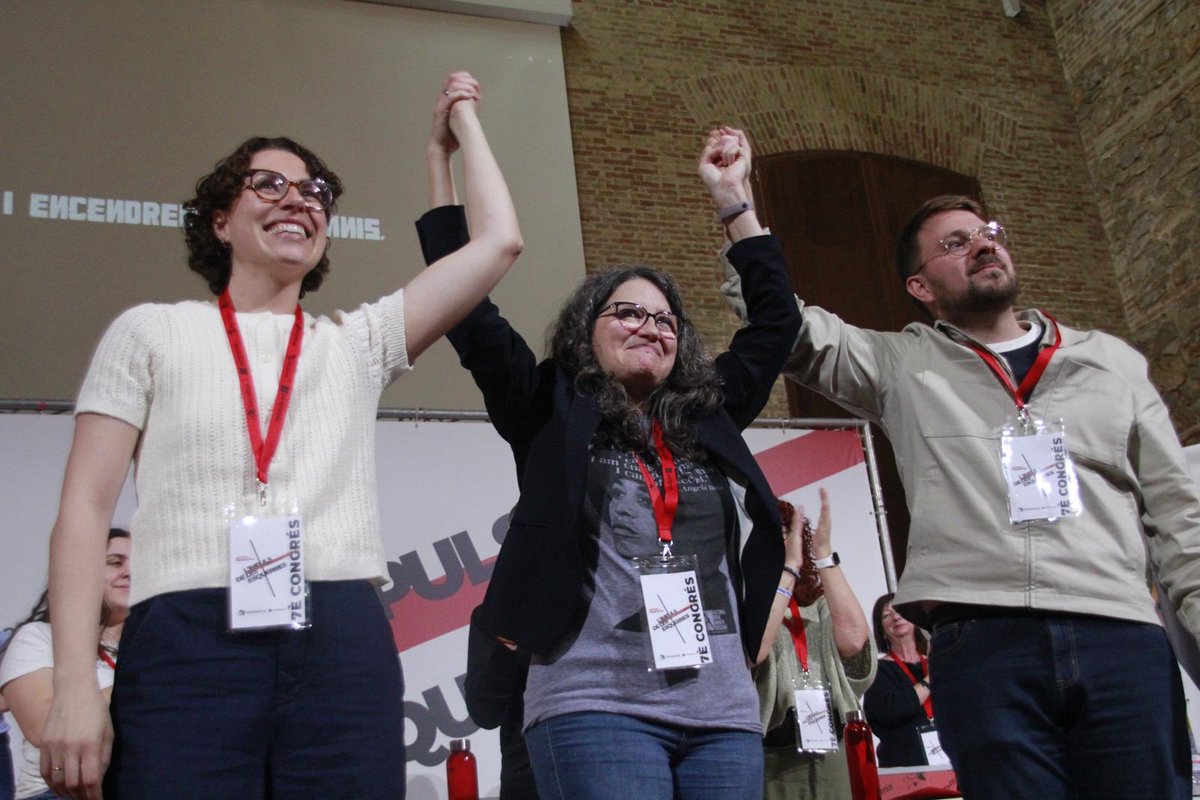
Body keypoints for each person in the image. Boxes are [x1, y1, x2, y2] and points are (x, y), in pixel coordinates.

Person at [38, 72, 522, 800]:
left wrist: (453, 134)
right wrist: (74, 684)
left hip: (338, 639)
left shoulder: (355, 344)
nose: (299, 198)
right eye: (268, 184)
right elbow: (83, 507)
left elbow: (499, 242)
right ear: (219, 220)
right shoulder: (152, 333)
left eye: (316, 190)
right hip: (186, 638)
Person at [722, 194, 1200, 798]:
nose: (981, 244)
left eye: (986, 232)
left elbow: (1182, 520)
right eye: (954, 243)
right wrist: (737, 205)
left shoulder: (1111, 363)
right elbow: (784, 327)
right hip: (984, 643)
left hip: (1118, 633)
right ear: (920, 287)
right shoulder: (904, 364)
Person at [416, 126, 801, 800]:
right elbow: (467, 311)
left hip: (722, 711)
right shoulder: (546, 407)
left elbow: (775, 322)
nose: (650, 326)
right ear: (583, 331)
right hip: (592, 703)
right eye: (627, 312)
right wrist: (439, 164)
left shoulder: (707, 413)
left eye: (665, 320)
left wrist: (733, 198)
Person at [754, 489, 874, 800]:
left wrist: (823, 553)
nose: (784, 542)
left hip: (830, 751)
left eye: (788, 534)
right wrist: (788, 570)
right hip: (772, 756)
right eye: (777, 534)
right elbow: (756, 652)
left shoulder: (819, 602)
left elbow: (854, 641)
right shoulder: (749, 603)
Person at [0, 529, 130, 800]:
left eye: (138, 564)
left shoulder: (152, 646)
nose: (129, 572)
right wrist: (143, 689)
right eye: (115, 562)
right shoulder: (40, 637)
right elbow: (43, 725)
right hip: (59, 791)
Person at [863, 593, 931, 768]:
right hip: (905, 765)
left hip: (947, 759)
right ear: (882, 630)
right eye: (886, 615)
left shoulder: (934, 663)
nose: (896, 617)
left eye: (900, 609)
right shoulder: (876, 670)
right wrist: (930, 679)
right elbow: (893, 711)